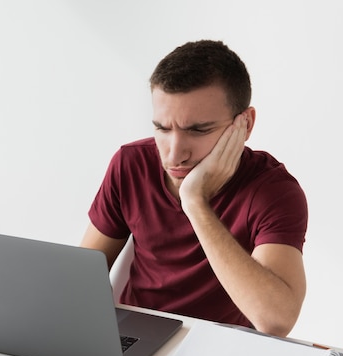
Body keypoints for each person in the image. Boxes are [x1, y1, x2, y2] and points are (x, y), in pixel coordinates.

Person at [81, 40, 307, 337]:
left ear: (246, 124)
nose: (174, 155)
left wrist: (196, 202)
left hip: (220, 349)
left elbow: (276, 320)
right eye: (162, 128)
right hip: (137, 336)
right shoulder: (130, 164)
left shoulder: (273, 191)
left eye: (198, 130)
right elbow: (81, 279)